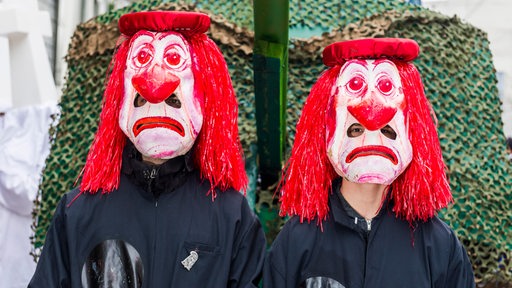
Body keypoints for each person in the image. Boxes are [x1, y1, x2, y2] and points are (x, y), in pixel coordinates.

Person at [29, 11, 266, 287]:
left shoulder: (231, 216)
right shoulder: (79, 212)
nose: (154, 87)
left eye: (174, 60)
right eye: (141, 60)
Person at [263, 38, 475, 287]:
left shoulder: (439, 245)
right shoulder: (297, 240)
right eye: (354, 130)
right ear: (326, 132)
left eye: (386, 130)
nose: (370, 134)